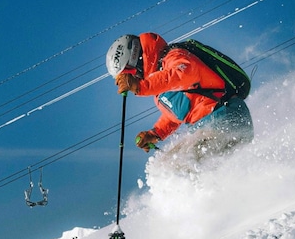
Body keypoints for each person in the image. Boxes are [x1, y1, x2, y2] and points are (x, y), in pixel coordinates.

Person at [105, 33, 254, 153]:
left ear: (135, 59)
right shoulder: (160, 86)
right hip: (210, 124)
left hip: (223, 114)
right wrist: (156, 133)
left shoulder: (174, 56)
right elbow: (181, 111)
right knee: (180, 166)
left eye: (130, 74)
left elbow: (182, 74)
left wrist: (140, 87)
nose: (134, 78)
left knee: (175, 166)